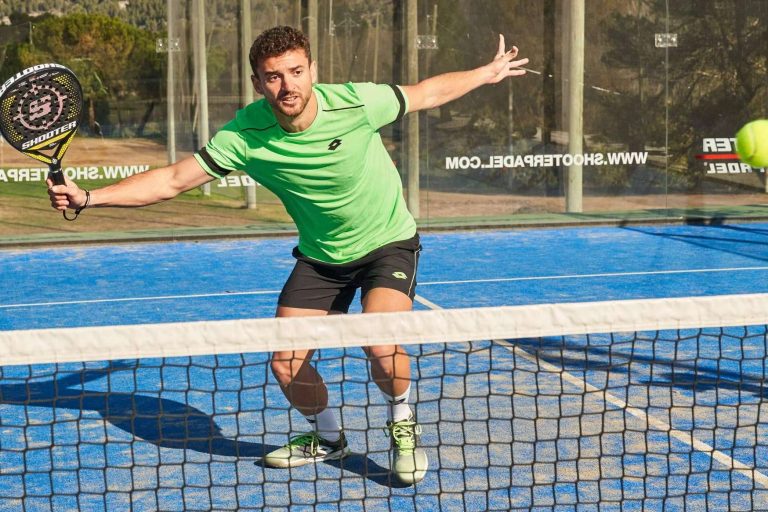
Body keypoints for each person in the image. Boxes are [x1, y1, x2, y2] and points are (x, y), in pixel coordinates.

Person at [48, 25, 528, 484]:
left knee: (380, 343)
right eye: (274, 76)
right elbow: (173, 181)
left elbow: (426, 92)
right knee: (286, 362)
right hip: (322, 256)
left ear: (312, 70)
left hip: (387, 242)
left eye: (295, 71)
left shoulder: (356, 102)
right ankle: (329, 439)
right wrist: (90, 197)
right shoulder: (244, 135)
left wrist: (487, 73)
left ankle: (402, 423)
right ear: (257, 82)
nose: (286, 85)